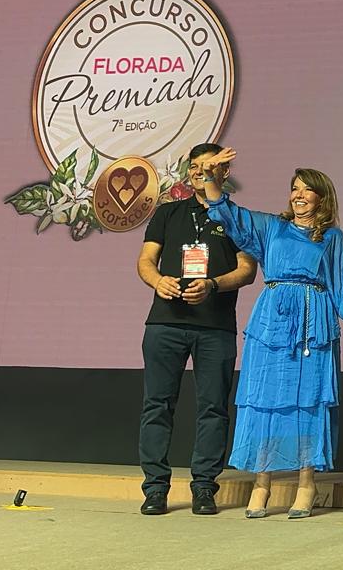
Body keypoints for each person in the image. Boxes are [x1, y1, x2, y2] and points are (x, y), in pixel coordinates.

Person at [199, 148, 343, 519]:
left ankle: (307, 483)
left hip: (314, 324)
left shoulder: (332, 237)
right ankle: (262, 483)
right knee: (266, 399)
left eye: (307, 189)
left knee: (310, 400)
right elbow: (227, 213)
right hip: (272, 320)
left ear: (321, 197)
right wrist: (212, 177)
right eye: (295, 188)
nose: (299, 194)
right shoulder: (272, 227)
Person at [136, 143, 257, 516]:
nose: (199, 172)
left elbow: (247, 270)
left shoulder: (237, 218)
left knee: (213, 408)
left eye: (209, 166)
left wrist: (213, 285)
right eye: (194, 167)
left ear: (224, 172)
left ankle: (204, 486)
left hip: (215, 327)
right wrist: (158, 280)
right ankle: (155, 489)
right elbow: (146, 260)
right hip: (165, 324)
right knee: (157, 405)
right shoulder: (168, 212)